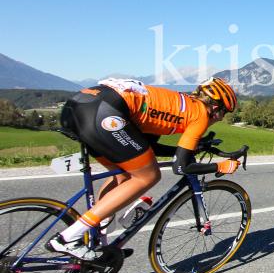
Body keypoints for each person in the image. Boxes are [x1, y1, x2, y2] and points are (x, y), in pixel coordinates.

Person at [47, 77, 241, 260]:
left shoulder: (177, 104)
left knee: (124, 174)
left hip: (81, 105)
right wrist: (221, 166)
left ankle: (99, 235)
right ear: (215, 108)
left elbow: (147, 148)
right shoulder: (199, 114)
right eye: (224, 113)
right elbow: (181, 167)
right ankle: (68, 238)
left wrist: (195, 147)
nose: (221, 119)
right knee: (148, 176)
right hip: (103, 112)